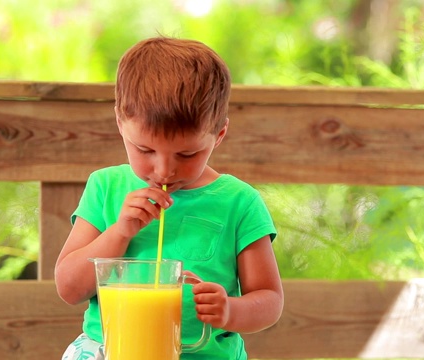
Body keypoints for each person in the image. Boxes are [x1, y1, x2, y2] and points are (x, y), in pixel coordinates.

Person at [55, 36, 284, 360]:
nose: (163, 171)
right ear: (121, 122)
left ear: (218, 135)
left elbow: (270, 299)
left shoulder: (239, 203)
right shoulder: (105, 186)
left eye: (187, 153)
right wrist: (119, 231)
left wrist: (230, 311)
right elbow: (69, 288)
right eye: (145, 150)